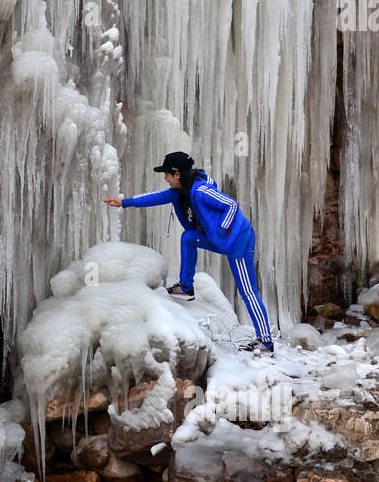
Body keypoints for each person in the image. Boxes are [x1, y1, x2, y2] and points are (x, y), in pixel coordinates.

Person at [103, 150, 274, 353]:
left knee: (248, 292)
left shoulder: (201, 191)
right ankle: (186, 287)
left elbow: (231, 205)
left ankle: (266, 341)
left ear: (177, 174)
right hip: (218, 239)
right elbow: (154, 197)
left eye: (167, 173)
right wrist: (124, 202)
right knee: (188, 238)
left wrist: (222, 230)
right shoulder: (179, 192)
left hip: (237, 241)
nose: (165, 178)